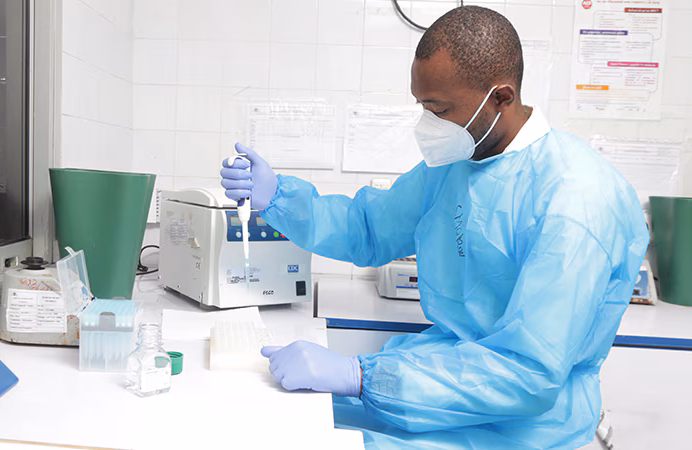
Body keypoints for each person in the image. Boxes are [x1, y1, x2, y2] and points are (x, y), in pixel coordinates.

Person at [220, 6, 648, 449]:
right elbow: (369, 227)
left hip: (519, 424)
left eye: (439, 108)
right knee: (277, 423)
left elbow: (527, 374)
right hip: (437, 384)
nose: (428, 124)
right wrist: (281, 199)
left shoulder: (576, 200)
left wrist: (357, 375)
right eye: (423, 106)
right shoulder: (459, 163)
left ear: (501, 97)